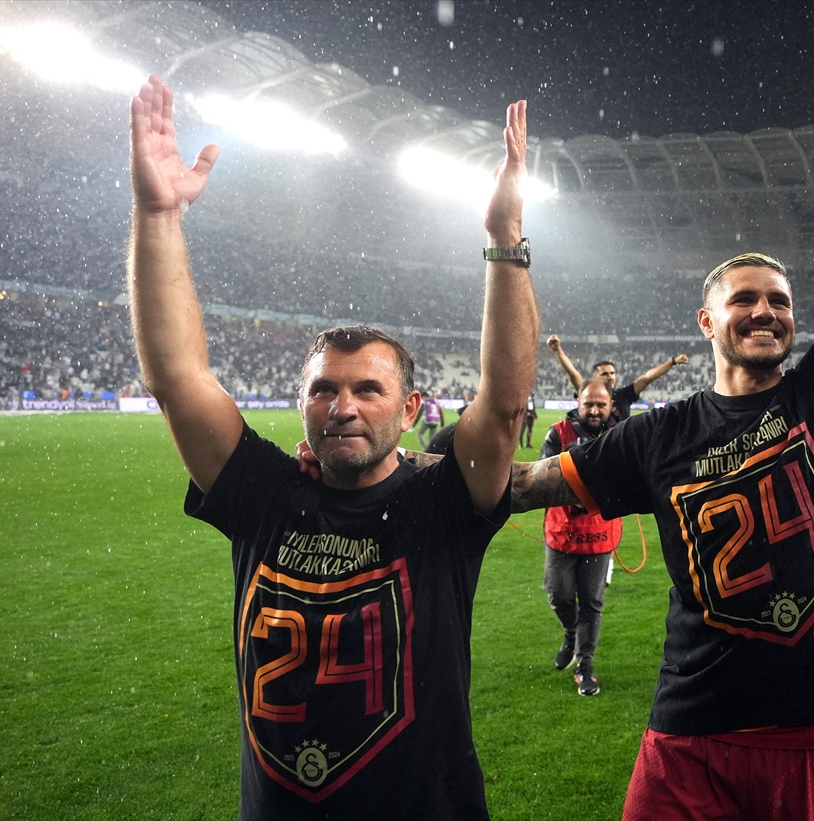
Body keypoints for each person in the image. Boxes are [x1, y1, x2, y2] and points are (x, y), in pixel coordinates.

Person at [508, 26, 814, 820]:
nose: (766, 311)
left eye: (780, 301)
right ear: (706, 320)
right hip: (690, 733)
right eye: (744, 299)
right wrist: (391, 468)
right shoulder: (656, 437)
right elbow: (523, 484)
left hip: (812, 730)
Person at [128, 74, 539, 818]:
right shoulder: (265, 494)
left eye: (368, 390)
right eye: (323, 390)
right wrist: (158, 216)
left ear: (410, 410)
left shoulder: (442, 503)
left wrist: (504, 239)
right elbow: (177, 379)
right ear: (302, 404)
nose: (342, 407)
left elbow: (506, 404)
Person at [540, 379, 621, 696]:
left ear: (611, 404)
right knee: (558, 595)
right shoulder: (558, 434)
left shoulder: (620, 433)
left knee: (591, 602)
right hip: (561, 532)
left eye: (601, 404)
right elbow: (544, 479)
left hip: (600, 534)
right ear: (578, 402)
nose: (595, 410)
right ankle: (571, 633)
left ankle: (585, 666)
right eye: (589, 404)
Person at [546, 334, 689, 423]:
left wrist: (672, 362)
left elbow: (647, 377)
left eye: (612, 373)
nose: (610, 376)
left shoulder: (623, 395)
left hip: (621, 450)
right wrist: (558, 350)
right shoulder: (589, 393)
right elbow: (573, 374)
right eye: (604, 374)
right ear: (595, 376)